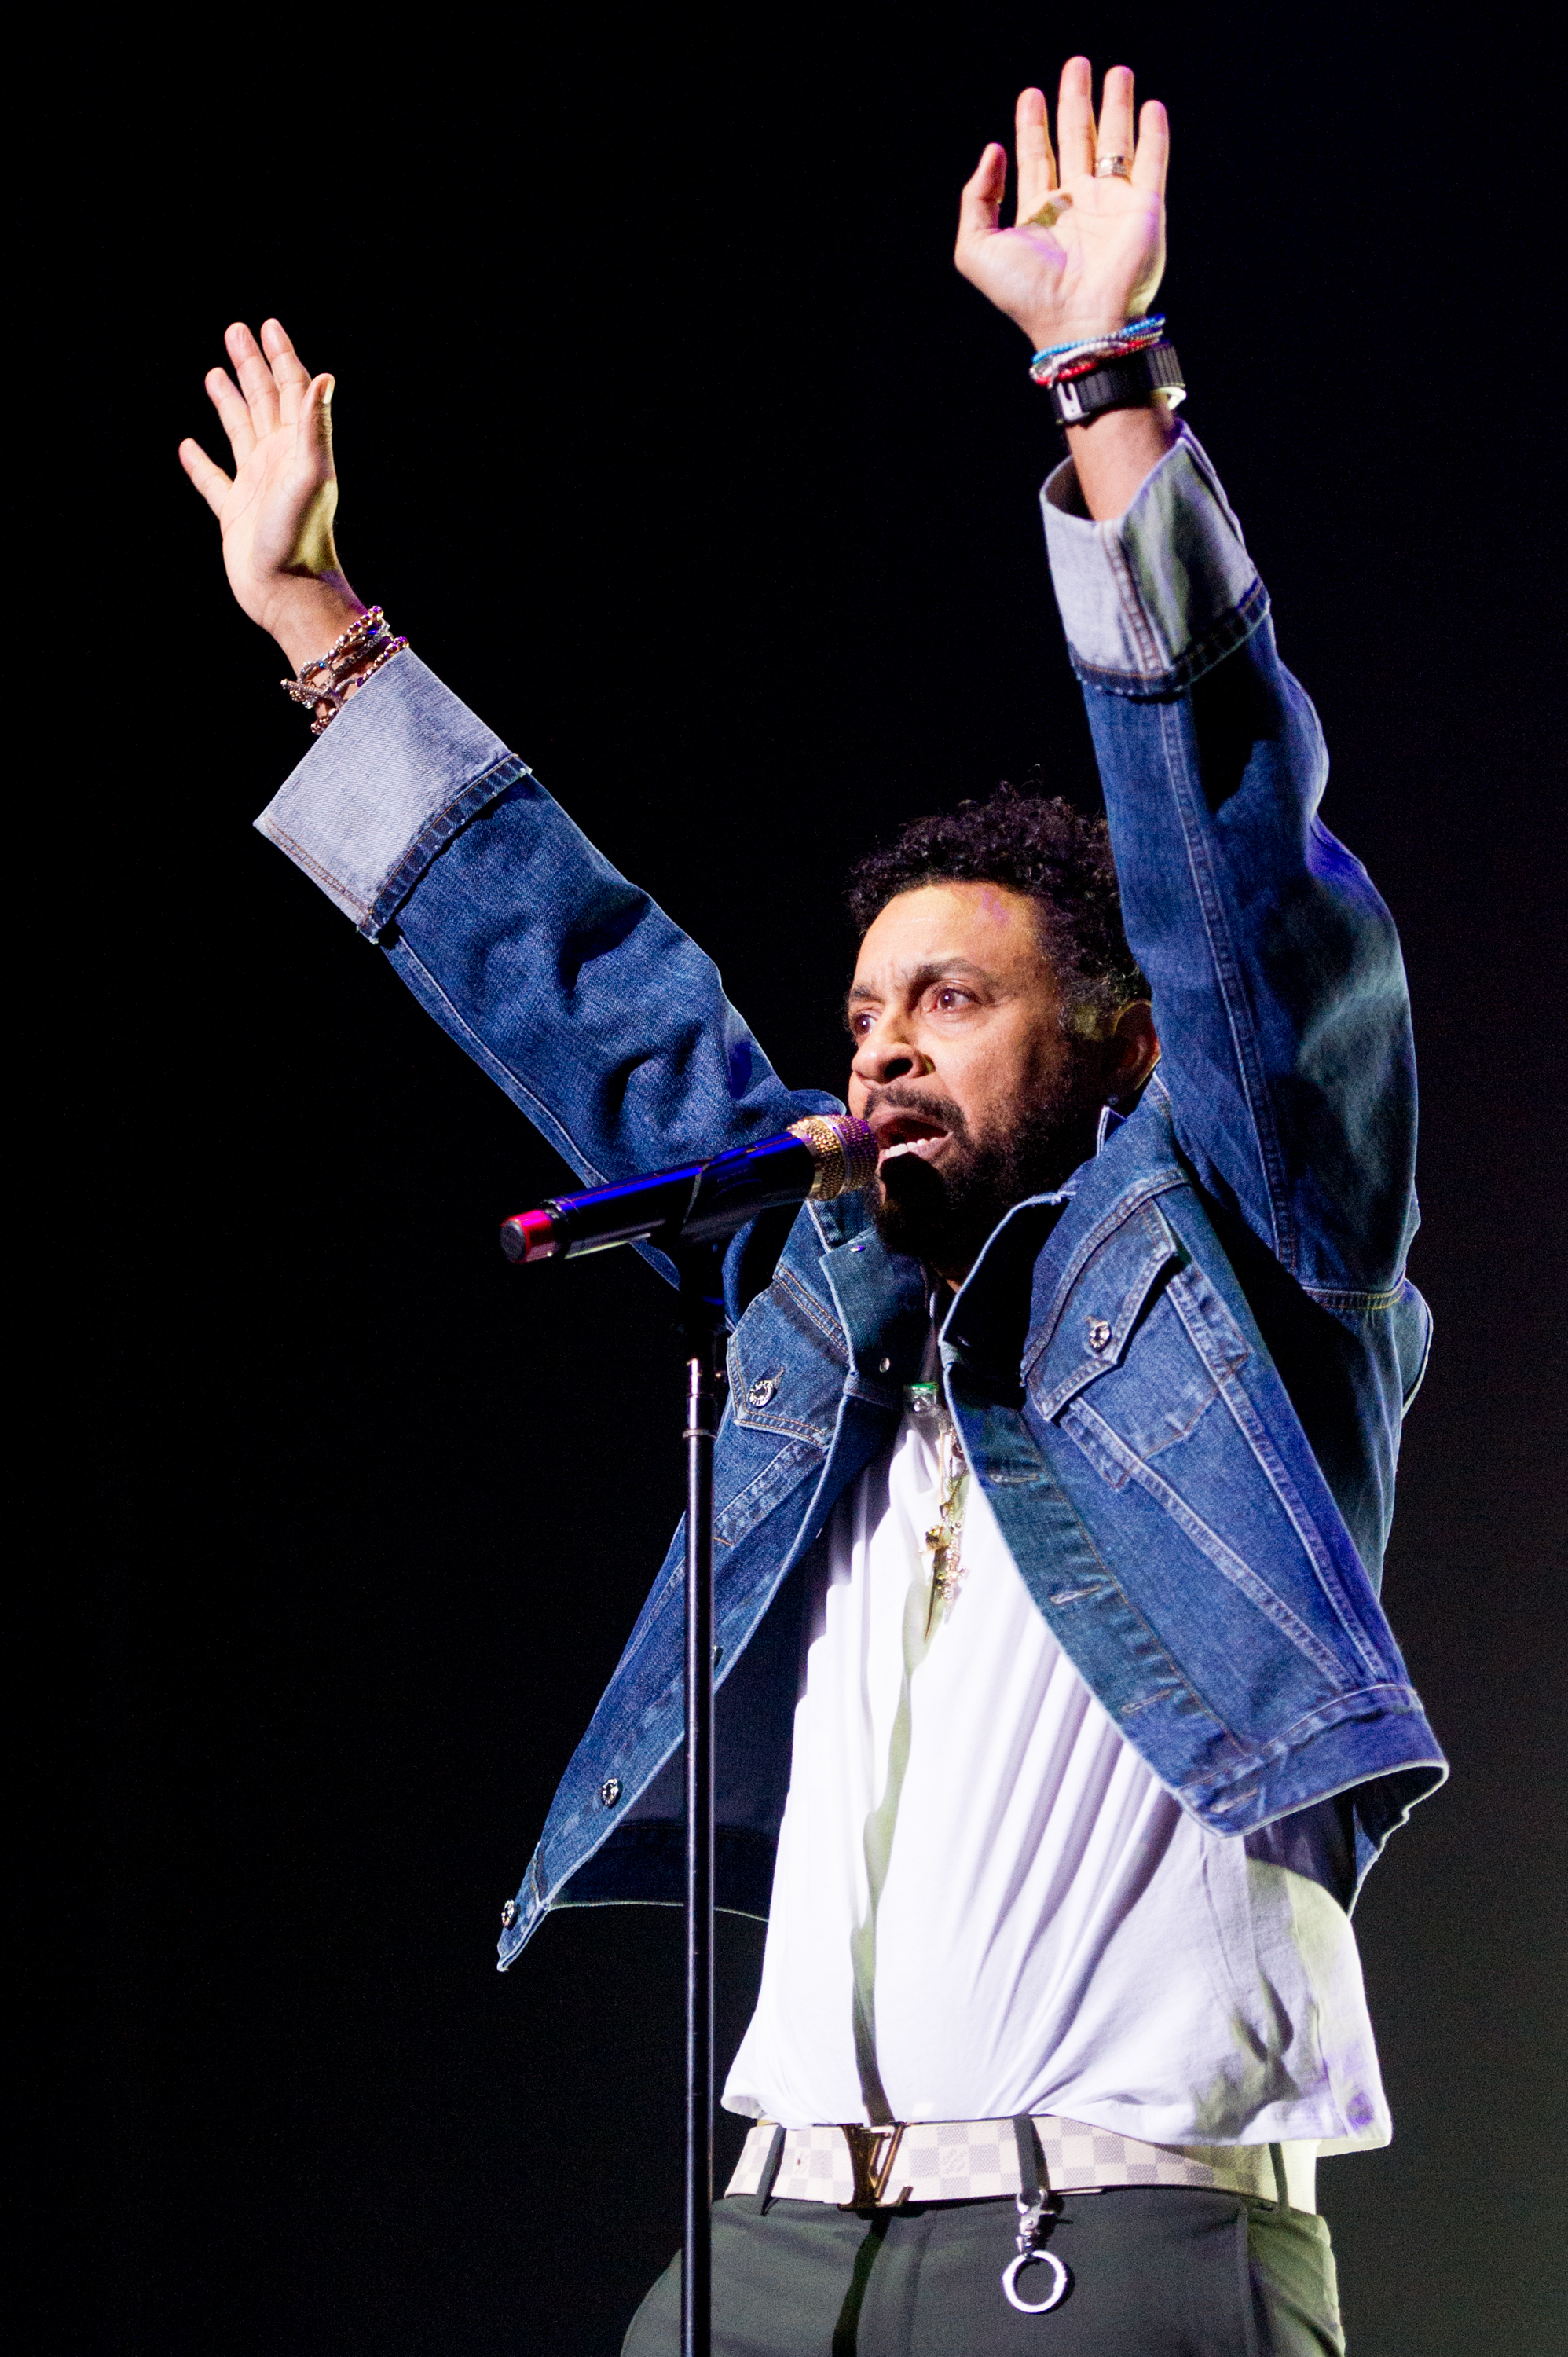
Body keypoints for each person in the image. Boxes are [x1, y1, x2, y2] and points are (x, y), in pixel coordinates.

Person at [180, 58, 1445, 2357]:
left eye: (951, 1001)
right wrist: (323, 632)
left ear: (1119, 1049)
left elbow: (1235, 890)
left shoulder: (1244, 1266)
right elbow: (602, 1013)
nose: (877, 1052)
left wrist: (1103, 382)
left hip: (1100, 2243)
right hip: (766, 2247)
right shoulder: (824, 1296)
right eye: (862, 1010)